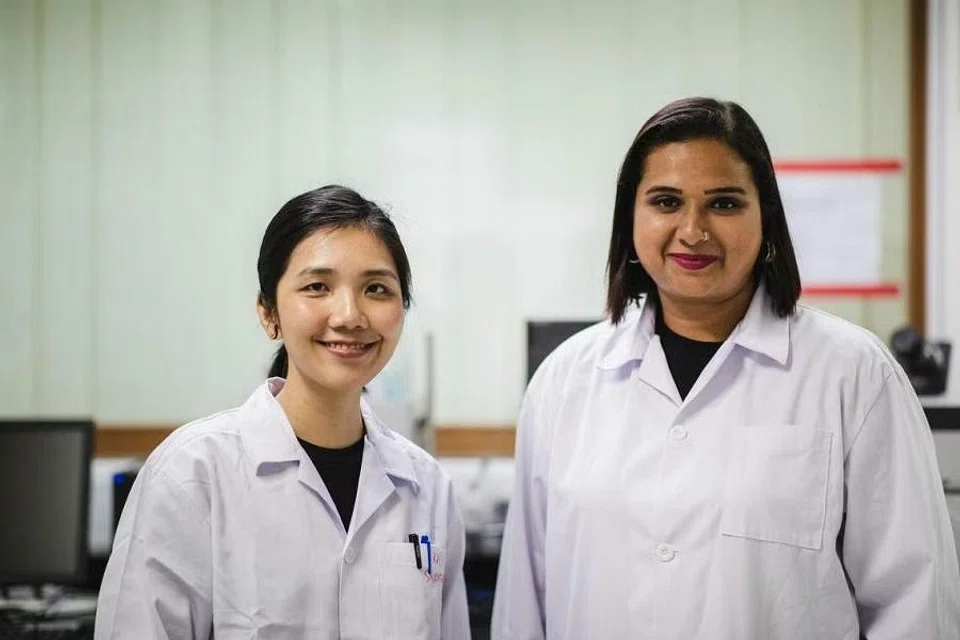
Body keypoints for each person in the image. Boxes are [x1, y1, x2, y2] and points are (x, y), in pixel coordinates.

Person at [491, 97, 960, 639]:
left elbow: (914, 604)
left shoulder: (853, 374)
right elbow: (524, 605)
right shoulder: (564, 381)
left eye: (724, 204)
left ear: (766, 219)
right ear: (630, 219)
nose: (693, 231)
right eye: (666, 202)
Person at [95, 185, 470, 639]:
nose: (349, 315)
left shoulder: (427, 487)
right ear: (269, 312)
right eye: (317, 287)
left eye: (376, 289)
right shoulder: (193, 474)